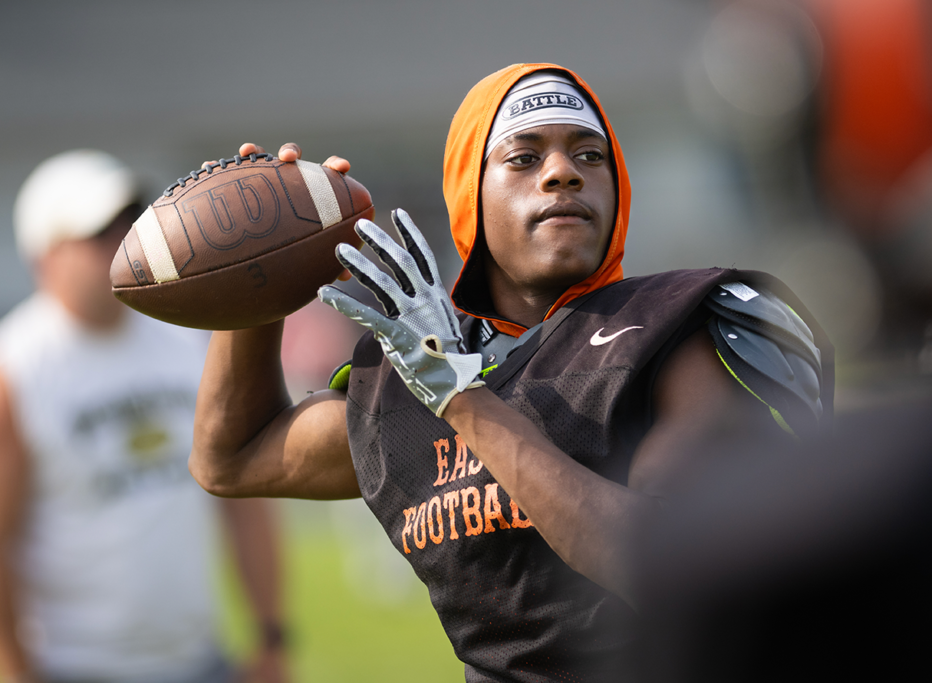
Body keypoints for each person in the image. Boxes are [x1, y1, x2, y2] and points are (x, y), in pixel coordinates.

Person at [188, 64, 833, 682]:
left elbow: (663, 561)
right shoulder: (411, 368)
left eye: (589, 155)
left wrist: (463, 398)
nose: (562, 173)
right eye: (524, 158)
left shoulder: (671, 330)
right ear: (470, 188)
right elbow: (230, 458)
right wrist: (258, 267)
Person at [0, 151, 289, 683]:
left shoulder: (190, 335)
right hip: (72, 667)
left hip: (201, 662)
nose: (121, 245)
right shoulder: (16, 368)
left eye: (127, 226)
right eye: (98, 233)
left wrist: (272, 637)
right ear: (46, 256)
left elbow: (243, 498)